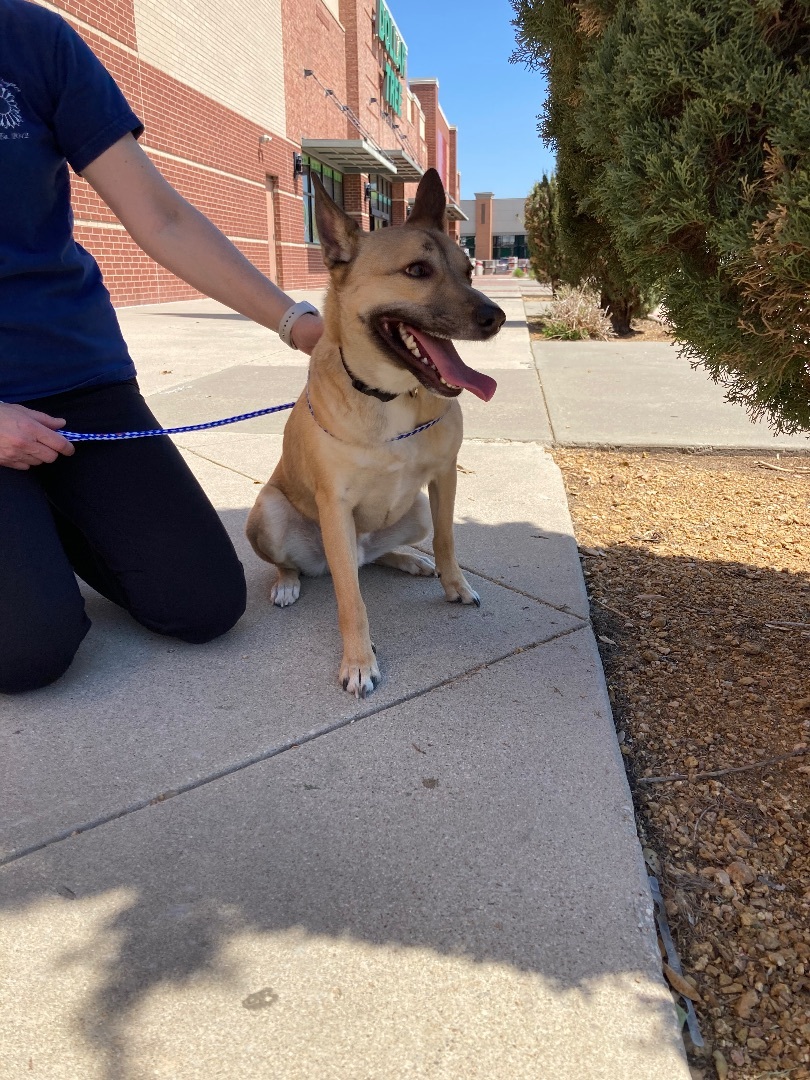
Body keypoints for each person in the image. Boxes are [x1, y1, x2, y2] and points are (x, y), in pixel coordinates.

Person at [0, 0, 324, 693]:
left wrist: (297, 322)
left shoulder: (31, 38)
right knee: (28, 651)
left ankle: (41, 517)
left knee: (203, 603)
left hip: (74, 371)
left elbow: (163, 215)